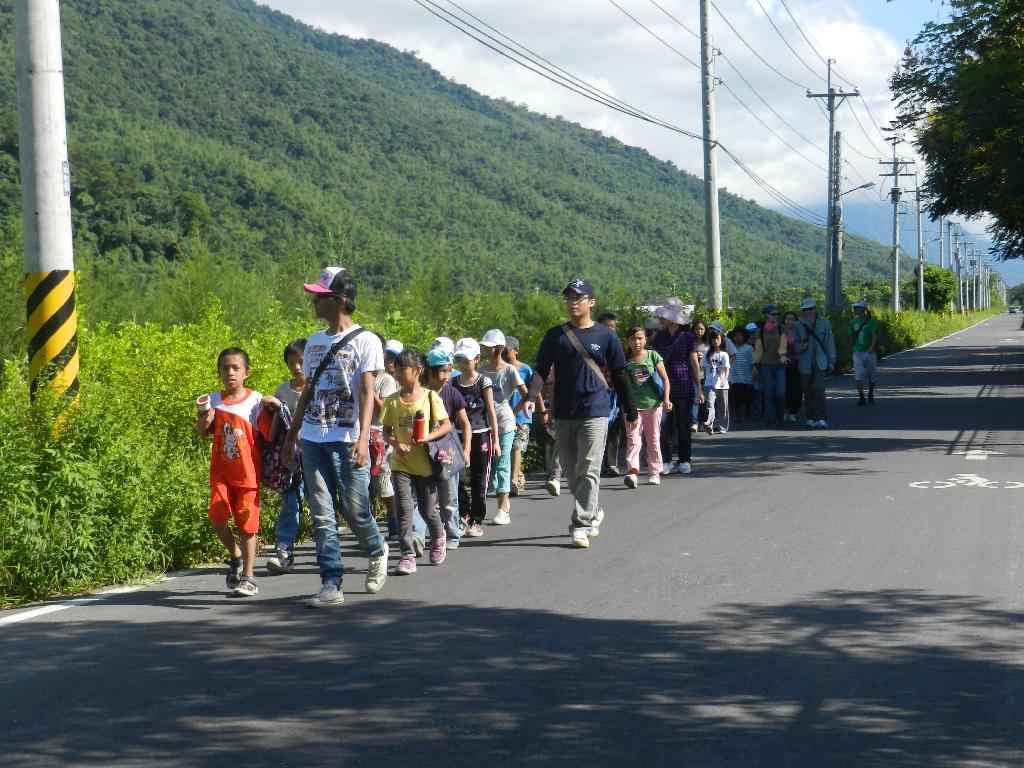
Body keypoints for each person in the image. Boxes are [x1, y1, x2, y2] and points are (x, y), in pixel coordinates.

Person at [282, 266, 390, 608]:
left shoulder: (367, 340)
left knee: (355, 509)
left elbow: (367, 393)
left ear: (340, 301)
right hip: (314, 437)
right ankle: (331, 582)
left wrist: (361, 439)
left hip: (348, 438)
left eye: (321, 296)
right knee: (323, 513)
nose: (314, 300)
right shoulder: (314, 342)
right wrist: (292, 437)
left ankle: (377, 548)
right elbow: (308, 392)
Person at [526, 278, 638, 548]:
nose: (572, 302)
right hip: (563, 412)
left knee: (588, 468)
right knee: (572, 470)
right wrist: (532, 397)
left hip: (595, 410)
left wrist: (630, 410)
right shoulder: (556, 335)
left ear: (592, 302)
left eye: (578, 297)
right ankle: (593, 509)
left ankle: (581, 524)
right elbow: (541, 369)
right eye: (569, 297)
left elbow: (620, 374)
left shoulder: (606, 336)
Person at [196, 347, 280, 598]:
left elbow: (270, 434)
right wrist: (204, 417)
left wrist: (275, 410)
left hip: (248, 476)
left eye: (236, 368)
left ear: (247, 372)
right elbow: (202, 432)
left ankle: (249, 577)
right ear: (219, 372)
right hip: (221, 474)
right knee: (217, 519)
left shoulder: (255, 401)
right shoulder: (214, 399)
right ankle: (236, 556)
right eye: (225, 368)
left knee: (247, 526)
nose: (230, 372)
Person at [380, 349, 451, 575]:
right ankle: (407, 554)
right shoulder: (392, 401)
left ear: (418, 371)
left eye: (403, 370)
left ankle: (439, 536)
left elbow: (446, 425)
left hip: (426, 464)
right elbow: (386, 432)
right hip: (401, 464)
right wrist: (395, 443)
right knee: (404, 508)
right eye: (396, 370)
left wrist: (427, 438)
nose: (398, 374)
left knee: (429, 510)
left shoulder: (431, 397)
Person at [478, 329, 529, 526]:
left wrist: (513, 411)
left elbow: (526, 394)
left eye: (488, 347)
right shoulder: (482, 370)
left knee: (502, 462)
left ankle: (503, 507)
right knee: (487, 464)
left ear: (499, 348)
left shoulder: (509, 370)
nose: (484, 349)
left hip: (505, 423)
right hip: (484, 423)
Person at [423, 347, 472, 549]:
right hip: (424, 451)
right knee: (424, 497)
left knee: (449, 497)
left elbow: (465, 423)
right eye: (442, 371)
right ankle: (426, 536)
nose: (446, 376)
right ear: (430, 371)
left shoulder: (452, 393)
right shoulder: (421, 393)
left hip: (448, 450)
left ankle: (452, 534)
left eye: (449, 371)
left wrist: (466, 451)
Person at [452, 337, 500, 537]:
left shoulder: (483, 381)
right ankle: (463, 515)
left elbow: (490, 411)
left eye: (467, 359)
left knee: (480, 480)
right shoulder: (453, 382)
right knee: (457, 477)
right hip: (459, 436)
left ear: (477, 359)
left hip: (481, 435)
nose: (463, 363)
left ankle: (477, 519)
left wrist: (496, 440)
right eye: (459, 359)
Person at [266, 338, 307, 575]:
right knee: (290, 503)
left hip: (314, 453)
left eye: (301, 362)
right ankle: (283, 552)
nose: (297, 368)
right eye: (292, 363)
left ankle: (327, 552)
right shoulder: (282, 390)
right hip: (289, 456)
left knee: (322, 502)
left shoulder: (318, 387)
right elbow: (276, 424)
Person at [651, 298, 702, 474]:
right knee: (664, 425)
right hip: (663, 387)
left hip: (684, 385)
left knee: (683, 425)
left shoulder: (688, 336)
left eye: (664, 316)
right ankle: (665, 460)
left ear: (672, 318)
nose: (661, 320)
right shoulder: (659, 337)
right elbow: (653, 360)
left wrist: (699, 388)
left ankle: (684, 459)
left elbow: (694, 362)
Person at [623, 325, 670, 486]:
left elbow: (665, 379)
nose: (637, 342)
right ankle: (633, 471)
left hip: (653, 405)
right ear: (628, 341)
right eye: (633, 338)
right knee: (633, 440)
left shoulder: (652, 355)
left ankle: (654, 471)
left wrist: (667, 399)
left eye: (640, 338)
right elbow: (623, 387)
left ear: (645, 339)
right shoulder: (625, 361)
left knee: (653, 439)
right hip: (633, 408)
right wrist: (626, 407)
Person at [792, 297, 836, 429]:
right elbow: (794, 343)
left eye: (810, 309)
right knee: (807, 391)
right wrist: (800, 347)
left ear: (815, 309)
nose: (808, 312)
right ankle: (811, 417)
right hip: (805, 363)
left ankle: (822, 417)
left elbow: (829, 342)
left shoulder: (824, 323)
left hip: (821, 361)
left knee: (819, 389)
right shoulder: (799, 325)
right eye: (805, 309)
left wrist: (832, 361)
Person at [504, 336, 533, 496]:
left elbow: (533, 392)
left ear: (516, 351)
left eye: (507, 350)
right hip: (502, 417)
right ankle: (515, 476)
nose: (504, 354)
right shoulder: (500, 369)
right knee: (505, 448)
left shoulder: (525, 369)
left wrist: (542, 410)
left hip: (521, 416)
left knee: (517, 447)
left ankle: (514, 480)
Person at [597, 311, 625, 477]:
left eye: (613, 327)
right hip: (597, 391)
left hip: (615, 390)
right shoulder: (592, 343)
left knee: (614, 427)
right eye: (607, 326)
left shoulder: (619, 345)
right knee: (598, 428)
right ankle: (597, 464)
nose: (610, 329)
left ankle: (611, 463)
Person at [753, 304, 788, 428]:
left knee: (781, 392)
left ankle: (780, 415)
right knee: (768, 394)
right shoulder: (760, 331)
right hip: (765, 365)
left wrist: (783, 354)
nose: (776, 316)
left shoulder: (781, 328)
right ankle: (770, 420)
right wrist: (756, 365)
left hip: (779, 365)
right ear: (767, 315)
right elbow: (758, 350)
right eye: (773, 314)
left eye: (777, 314)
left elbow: (783, 344)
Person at [701, 329, 731, 434]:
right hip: (709, 383)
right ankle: (709, 424)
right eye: (713, 339)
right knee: (710, 404)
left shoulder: (724, 354)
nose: (715, 341)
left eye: (717, 339)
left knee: (723, 406)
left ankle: (722, 426)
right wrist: (703, 382)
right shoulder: (707, 354)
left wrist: (724, 379)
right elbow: (703, 368)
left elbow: (727, 368)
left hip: (722, 383)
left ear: (721, 340)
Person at [849, 299, 878, 406]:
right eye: (854, 307)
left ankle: (870, 392)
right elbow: (851, 336)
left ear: (863, 309)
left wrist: (871, 346)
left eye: (856, 307)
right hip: (857, 352)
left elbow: (874, 335)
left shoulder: (871, 321)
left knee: (872, 375)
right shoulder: (853, 322)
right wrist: (850, 349)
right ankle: (861, 397)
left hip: (869, 352)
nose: (854, 309)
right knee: (858, 374)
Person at [730, 327, 754, 423]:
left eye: (740, 335)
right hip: (734, 377)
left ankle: (745, 413)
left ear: (744, 336)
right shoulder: (730, 349)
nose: (738, 337)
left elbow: (752, 362)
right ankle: (737, 414)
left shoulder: (749, 348)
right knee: (736, 396)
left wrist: (754, 371)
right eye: (736, 335)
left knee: (746, 396)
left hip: (746, 377)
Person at [782, 311, 803, 423]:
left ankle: (793, 411)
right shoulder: (781, 332)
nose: (789, 321)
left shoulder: (799, 332)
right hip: (783, 363)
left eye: (792, 319)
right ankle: (785, 409)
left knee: (797, 388)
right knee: (785, 387)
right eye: (787, 319)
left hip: (797, 362)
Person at [691, 319, 708, 433]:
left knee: (705, 400)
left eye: (702, 329)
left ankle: (703, 421)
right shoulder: (691, 343)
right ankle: (694, 422)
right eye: (697, 328)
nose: (699, 331)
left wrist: (703, 358)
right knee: (695, 399)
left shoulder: (708, 344)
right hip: (693, 374)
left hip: (706, 375)